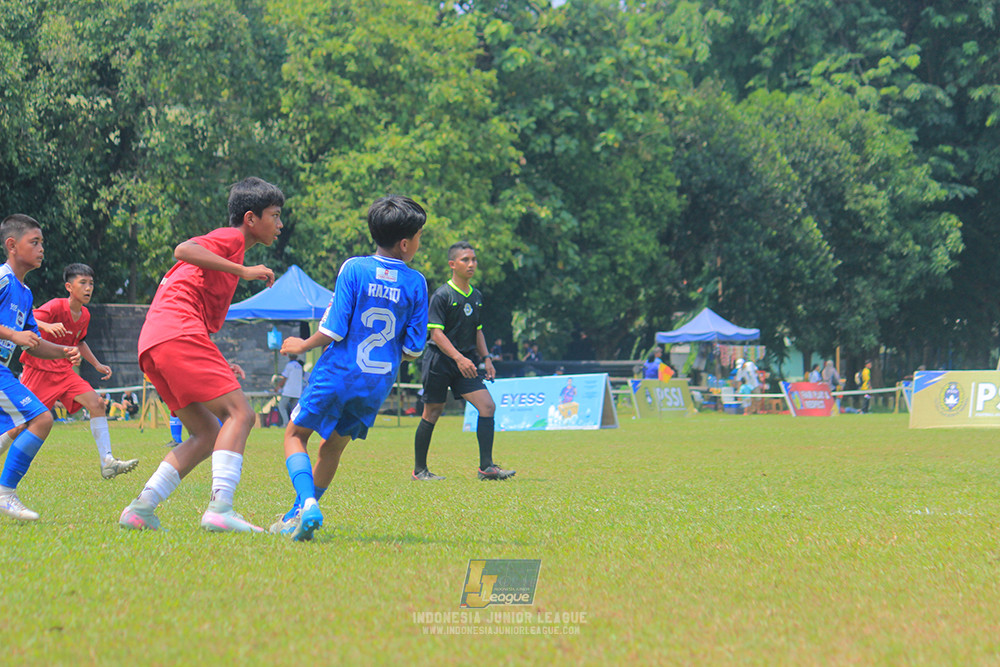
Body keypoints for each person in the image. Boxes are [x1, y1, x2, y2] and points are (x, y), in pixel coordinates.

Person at [119, 176, 284, 533]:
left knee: (207, 432)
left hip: (156, 341)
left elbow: (193, 310)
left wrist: (219, 359)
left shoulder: (227, 255)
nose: (280, 224)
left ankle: (141, 508)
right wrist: (244, 270)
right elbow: (182, 249)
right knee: (242, 414)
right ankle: (221, 508)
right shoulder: (231, 239)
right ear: (251, 218)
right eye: (275, 215)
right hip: (175, 333)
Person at [269, 195, 428, 541]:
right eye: (419, 237)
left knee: (295, 435)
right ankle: (296, 514)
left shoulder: (354, 268)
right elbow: (415, 348)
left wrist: (303, 344)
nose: (418, 244)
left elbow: (334, 328)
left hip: (337, 373)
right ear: (405, 244)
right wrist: (388, 359)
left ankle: (307, 503)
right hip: (376, 383)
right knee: (332, 449)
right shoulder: (416, 283)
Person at [0, 263, 138, 479]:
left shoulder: (85, 315)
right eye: (82, 283)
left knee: (97, 403)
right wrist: (46, 326)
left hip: (64, 373)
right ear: (69, 287)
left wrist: (97, 365)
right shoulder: (55, 306)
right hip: (39, 371)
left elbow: (80, 342)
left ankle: (107, 462)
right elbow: (28, 319)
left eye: (91, 283)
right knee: (19, 425)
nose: (88, 288)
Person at [0, 214, 82, 521]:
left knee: (22, 423)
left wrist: (64, 351)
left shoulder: (25, 292)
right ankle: (5, 494)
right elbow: (19, 336)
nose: (41, 249)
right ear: (12, 245)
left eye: (42, 243)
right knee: (40, 419)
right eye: (34, 242)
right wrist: (12, 334)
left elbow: (32, 341)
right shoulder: (4, 280)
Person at [413, 241, 514, 482]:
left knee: (487, 407)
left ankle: (486, 467)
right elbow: (436, 334)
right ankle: (419, 471)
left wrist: (487, 359)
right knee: (432, 413)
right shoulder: (442, 295)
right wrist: (458, 358)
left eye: (474, 259)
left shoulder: (476, 296)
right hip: (440, 361)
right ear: (452, 264)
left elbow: (478, 331)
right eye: (465, 260)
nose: (471, 264)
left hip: (464, 365)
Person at [273, 353, 305, 427]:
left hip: (288, 391)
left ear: (289, 356)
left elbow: (285, 378)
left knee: (282, 406)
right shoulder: (299, 366)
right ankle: (296, 424)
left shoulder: (289, 365)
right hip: (297, 391)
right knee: (295, 409)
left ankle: (286, 423)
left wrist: (278, 387)